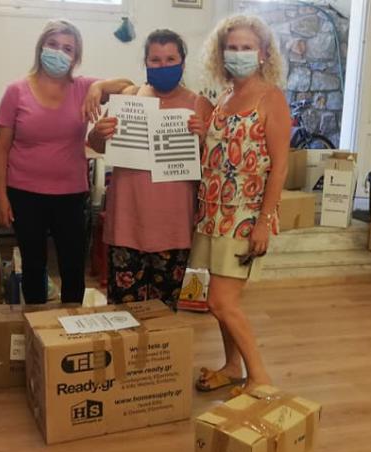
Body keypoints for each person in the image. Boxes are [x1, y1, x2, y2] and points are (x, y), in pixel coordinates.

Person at [0, 19, 131, 304]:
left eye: (68, 48)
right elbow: (0, 148)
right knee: (33, 266)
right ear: (41, 47)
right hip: (24, 193)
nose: (59, 52)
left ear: (76, 57)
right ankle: (35, 324)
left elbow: (130, 87)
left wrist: (99, 86)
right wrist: (0, 196)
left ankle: (70, 324)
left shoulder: (84, 88)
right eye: (53, 44)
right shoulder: (16, 91)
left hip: (70, 194)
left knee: (73, 266)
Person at [192, 15, 291, 393]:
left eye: (246, 47)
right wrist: (202, 134)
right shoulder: (224, 97)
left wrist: (264, 221)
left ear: (263, 53)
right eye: (231, 48)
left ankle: (260, 377)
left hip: (245, 217)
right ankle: (233, 366)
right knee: (217, 301)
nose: (238, 54)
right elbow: (219, 155)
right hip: (213, 213)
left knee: (222, 301)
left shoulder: (271, 99)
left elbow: (280, 167)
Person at [87, 29, 213, 309]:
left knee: (164, 313)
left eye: (170, 59)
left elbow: (213, 164)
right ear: (145, 62)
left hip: (174, 225)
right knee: (122, 311)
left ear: (182, 62)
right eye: (155, 60)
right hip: (127, 221)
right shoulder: (129, 97)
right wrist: (99, 131)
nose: (163, 65)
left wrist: (202, 137)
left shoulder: (199, 104)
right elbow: (97, 144)